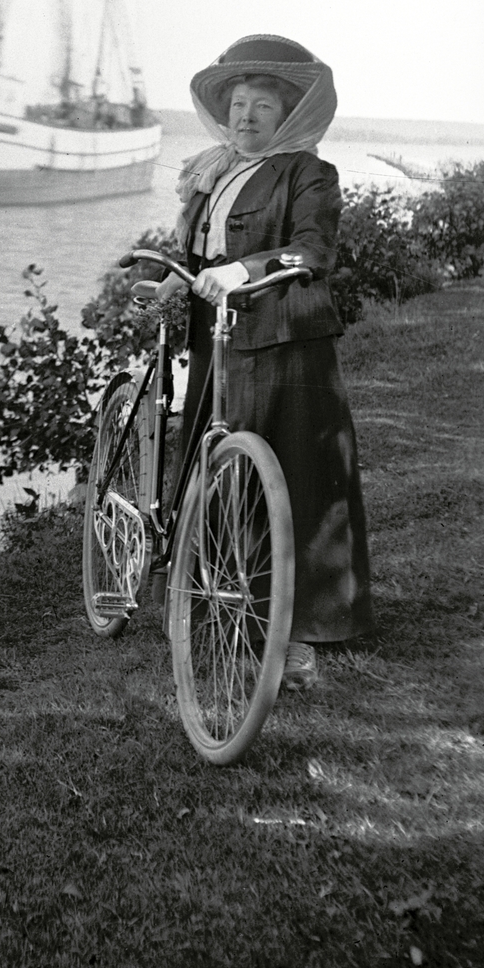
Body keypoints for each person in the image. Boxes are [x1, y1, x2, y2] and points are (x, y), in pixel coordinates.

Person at [155, 34, 372, 689]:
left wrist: (244, 271)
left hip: (285, 342)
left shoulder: (308, 173)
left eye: (262, 107)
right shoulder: (216, 170)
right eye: (238, 105)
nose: (245, 117)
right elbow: (200, 251)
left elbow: (312, 251)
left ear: (289, 115)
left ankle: (300, 632)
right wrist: (172, 281)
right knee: (218, 468)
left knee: (297, 479)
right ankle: (218, 598)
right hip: (217, 339)